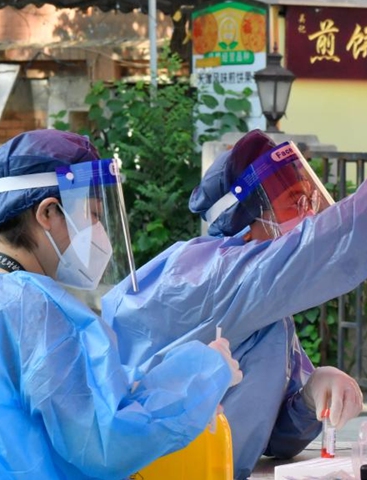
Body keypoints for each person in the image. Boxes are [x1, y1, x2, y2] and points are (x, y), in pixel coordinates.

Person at [101, 90, 367, 479]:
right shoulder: (209, 275)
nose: (311, 210)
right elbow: (343, 236)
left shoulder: (264, 309)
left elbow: (272, 435)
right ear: (248, 216)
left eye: (308, 194)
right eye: (293, 200)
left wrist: (311, 394)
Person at [0, 130, 243, 479]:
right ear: (49, 212)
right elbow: (104, 440)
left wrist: (176, 372)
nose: (99, 232)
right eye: (93, 216)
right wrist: (206, 374)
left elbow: (81, 394)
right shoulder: (31, 308)